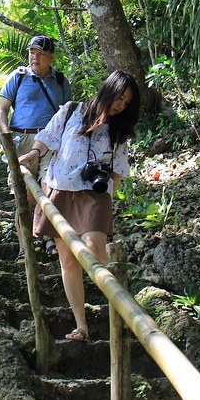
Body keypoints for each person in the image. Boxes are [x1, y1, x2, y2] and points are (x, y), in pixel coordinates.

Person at [17, 70, 140, 342]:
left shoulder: (119, 132)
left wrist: (109, 196)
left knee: (96, 248)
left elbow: (117, 169)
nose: (121, 104)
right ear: (108, 90)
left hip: (95, 195)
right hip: (60, 189)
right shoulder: (72, 111)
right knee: (69, 261)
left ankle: (119, 313)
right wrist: (34, 154)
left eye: (127, 102)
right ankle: (81, 326)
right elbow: (47, 137)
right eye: (119, 97)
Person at [0, 35, 72, 255]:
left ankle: (48, 238)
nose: (34, 57)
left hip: (50, 142)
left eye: (40, 54)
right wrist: (5, 133)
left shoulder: (60, 81)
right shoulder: (18, 77)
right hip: (21, 141)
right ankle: (25, 249)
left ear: (51, 57)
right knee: (25, 196)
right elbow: (2, 109)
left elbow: (67, 114)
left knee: (50, 192)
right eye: (32, 52)